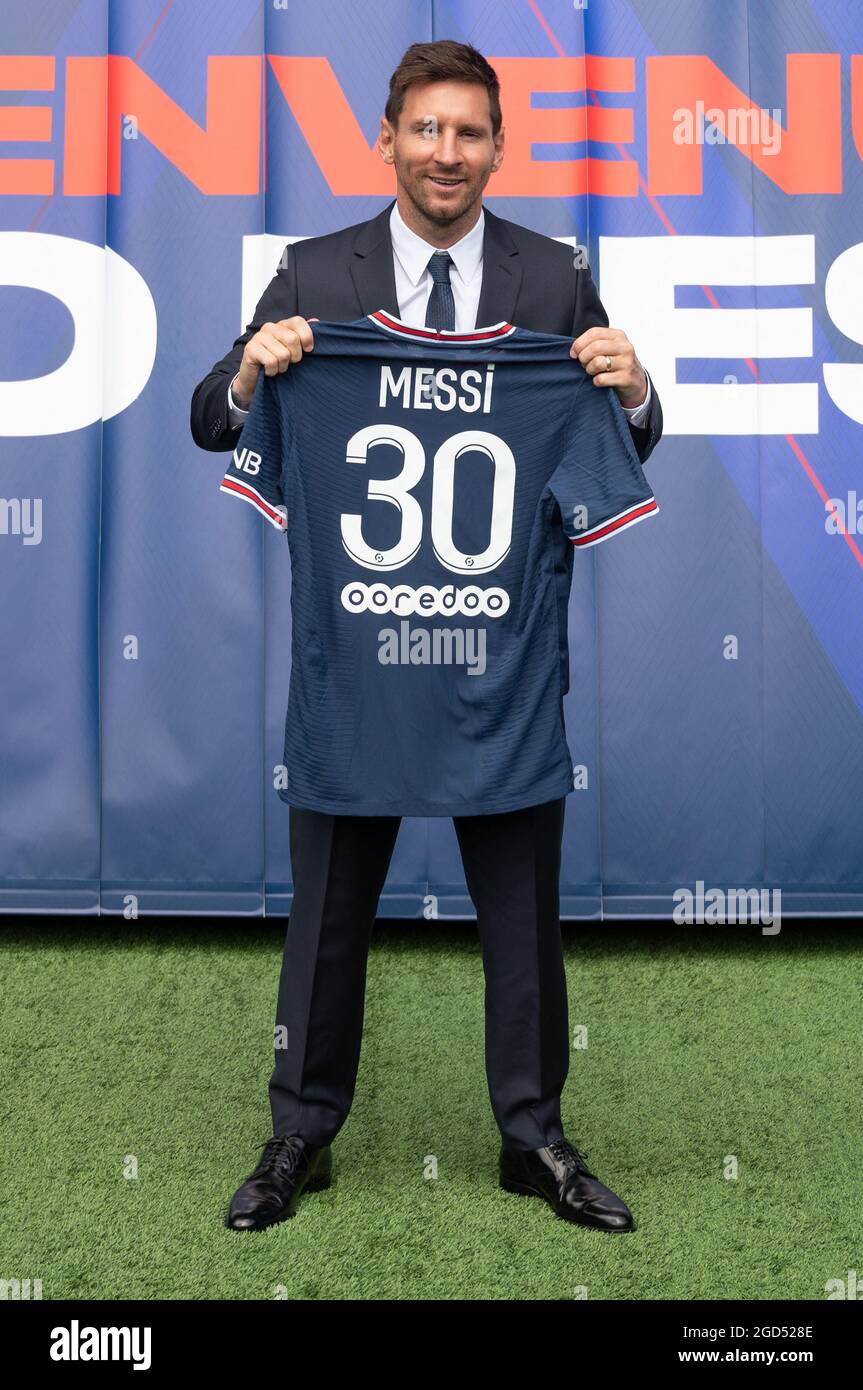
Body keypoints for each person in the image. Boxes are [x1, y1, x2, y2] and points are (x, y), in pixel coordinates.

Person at [191, 39, 663, 1235]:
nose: (444, 152)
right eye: (424, 130)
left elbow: (618, 443)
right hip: (353, 667)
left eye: (468, 133)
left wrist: (634, 388)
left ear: (499, 146)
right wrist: (253, 368)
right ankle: (300, 1130)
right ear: (386, 139)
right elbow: (212, 419)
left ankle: (531, 1138)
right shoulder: (311, 272)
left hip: (497, 661)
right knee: (326, 913)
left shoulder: (554, 277)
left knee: (520, 913)